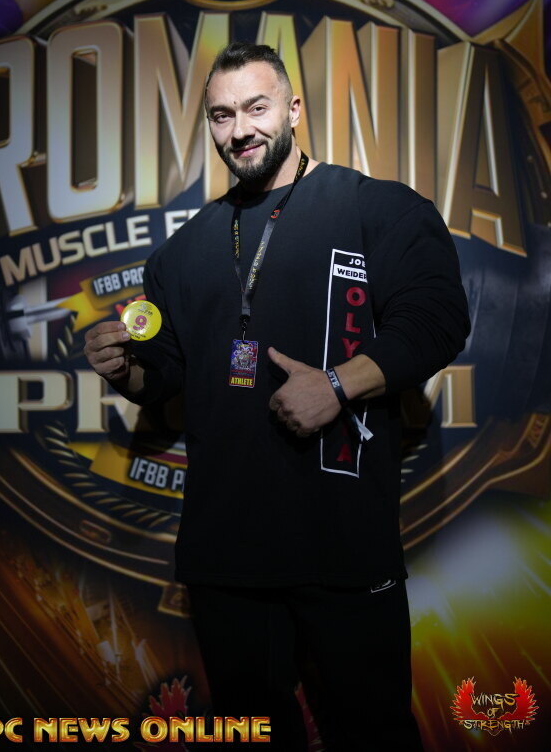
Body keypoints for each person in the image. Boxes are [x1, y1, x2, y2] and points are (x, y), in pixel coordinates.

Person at [84, 42, 470, 750]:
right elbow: (163, 377)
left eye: (256, 108)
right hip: (226, 555)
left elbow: (438, 319)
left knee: (375, 734)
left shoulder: (375, 208)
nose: (240, 130)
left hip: (342, 543)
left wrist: (339, 384)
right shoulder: (181, 252)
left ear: (293, 109)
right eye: (222, 115)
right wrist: (122, 368)